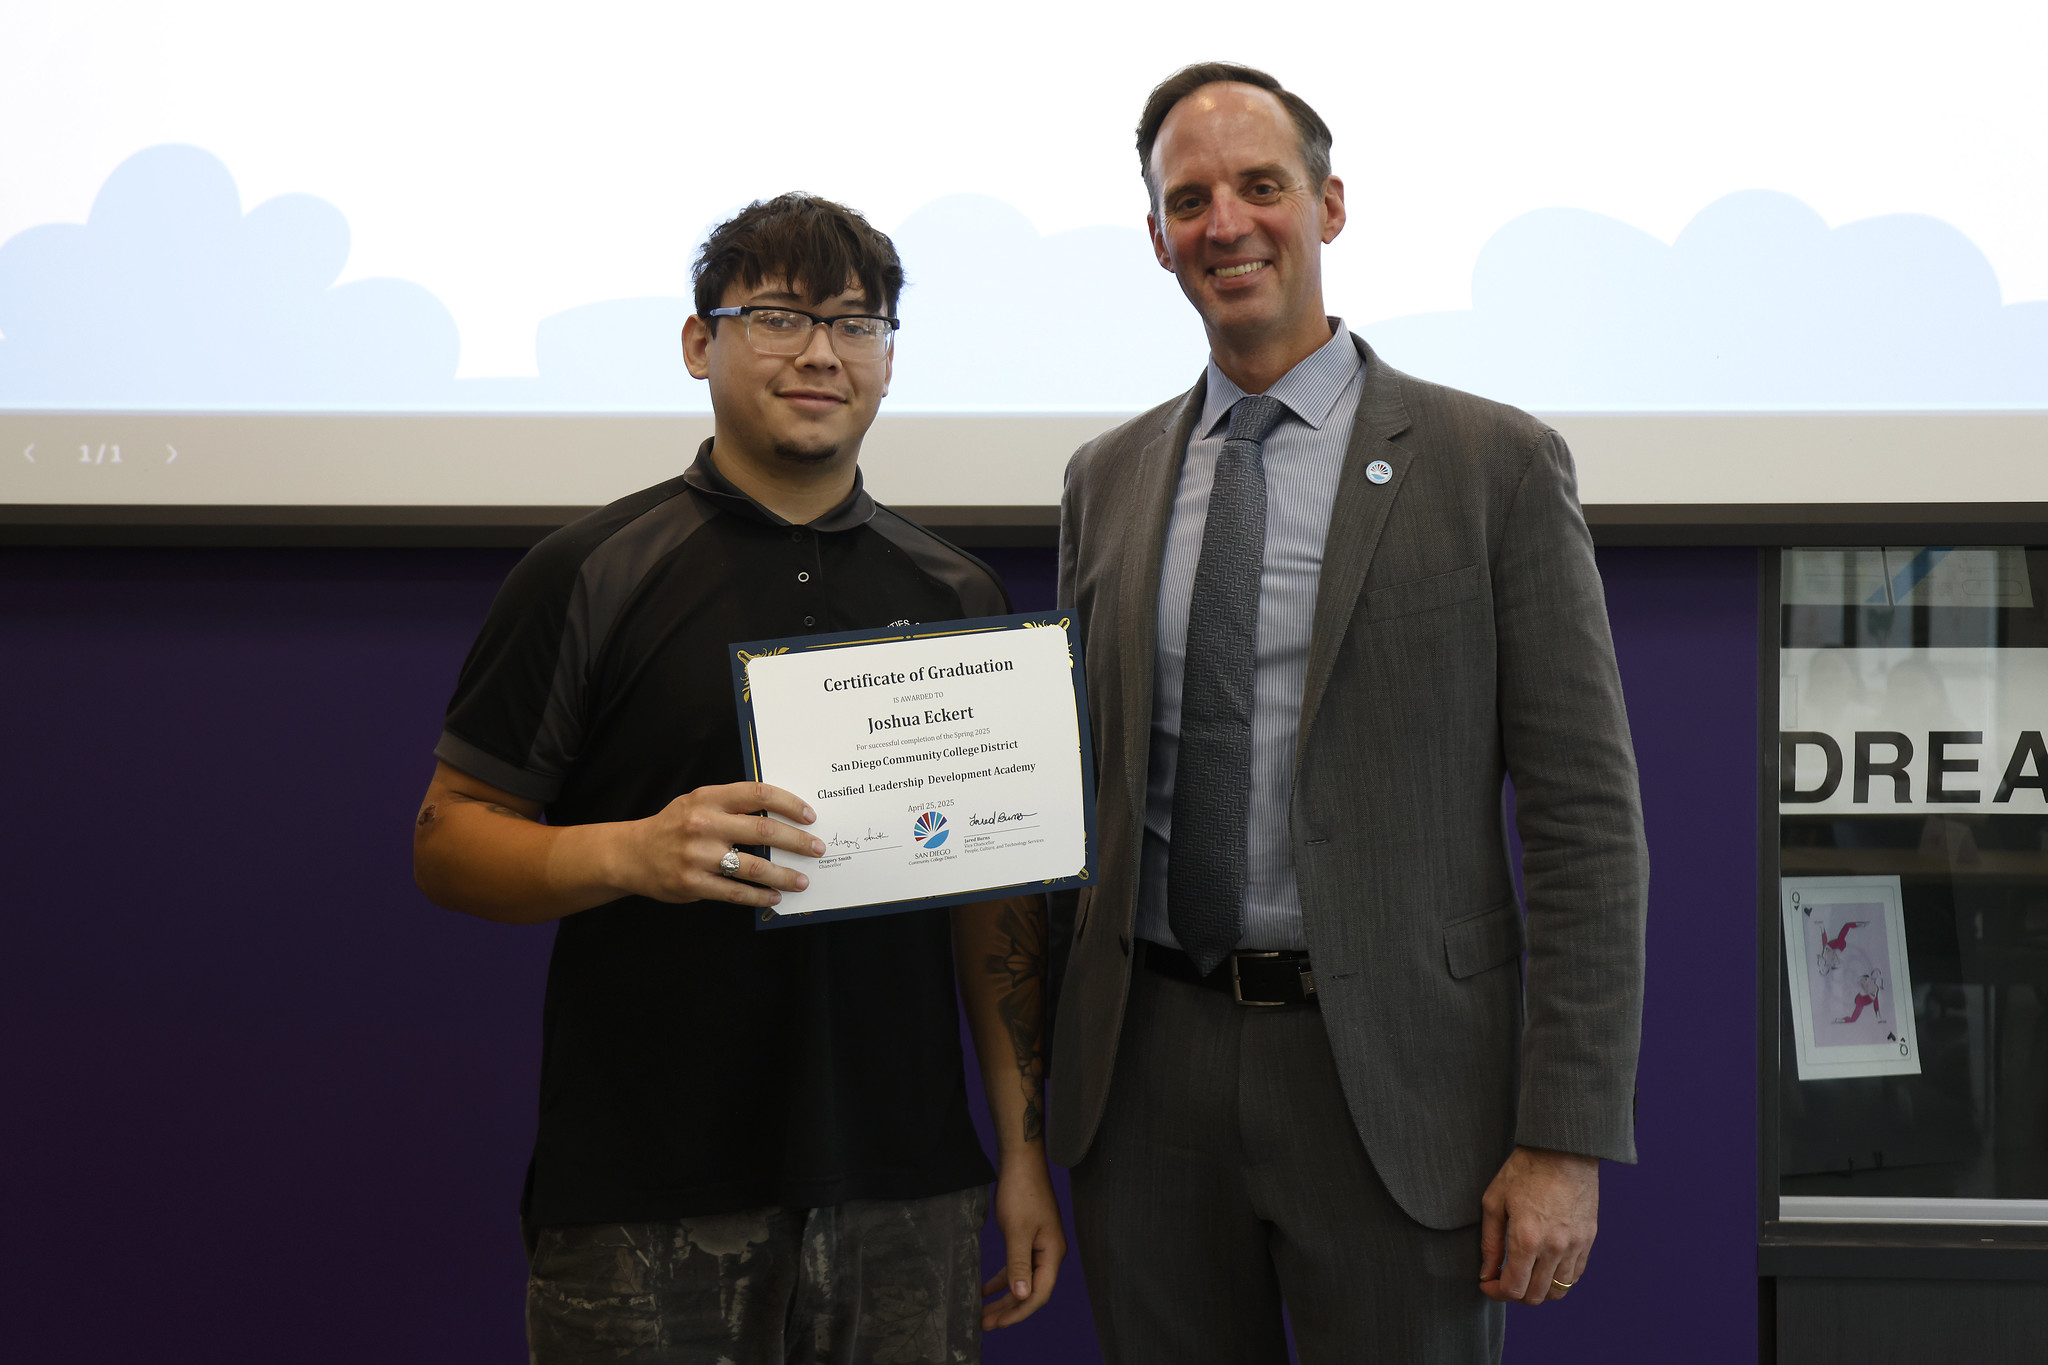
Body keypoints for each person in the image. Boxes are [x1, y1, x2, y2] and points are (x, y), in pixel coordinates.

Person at [1047, 64, 1649, 1363]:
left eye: (1261, 187)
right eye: (1189, 198)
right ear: (1157, 238)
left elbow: (1587, 825)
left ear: (1327, 204)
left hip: (1394, 1082)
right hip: (1143, 1075)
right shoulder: (1104, 481)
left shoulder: (1494, 466)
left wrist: (1564, 1136)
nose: (1227, 224)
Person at [412, 192, 1064, 1364]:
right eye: (777, 315)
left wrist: (1020, 1152)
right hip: (643, 1190)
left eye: (856, 325)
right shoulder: (586, 573)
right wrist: (626, 851)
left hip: (904, 1190)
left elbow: (993, 905)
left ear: (887, 362)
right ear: (698, 344)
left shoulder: (960, 597)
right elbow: (449, 842)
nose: (820, 353)